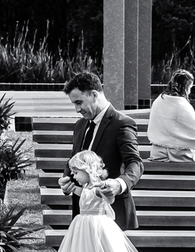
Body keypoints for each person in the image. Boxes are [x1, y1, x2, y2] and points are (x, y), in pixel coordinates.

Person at [50, 150, 152, 252]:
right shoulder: (86, 188)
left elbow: (109, 199)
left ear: (87, 170)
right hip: (82, 224)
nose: (73, 175)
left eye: (75, 172)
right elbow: (81, 193)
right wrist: (67, 185)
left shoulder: (98, 188)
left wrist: (108, 192)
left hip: (95, 224)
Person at [58, 71, 144, 232]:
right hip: (83, 214)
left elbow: (135, 162)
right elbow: (73, 160)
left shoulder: (122, 123)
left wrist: (120, 184)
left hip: (112, 213)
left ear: (94, 95)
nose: (77, 109)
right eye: (74, 104)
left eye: (79, 102)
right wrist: (66, 180)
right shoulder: (80, 125)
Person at [146, 69, 195, 163]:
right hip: (180, 154)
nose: (189, 92)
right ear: (185, 87)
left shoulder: (158, 101)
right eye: (190, 88)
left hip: (158, 152)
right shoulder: (182, 105)